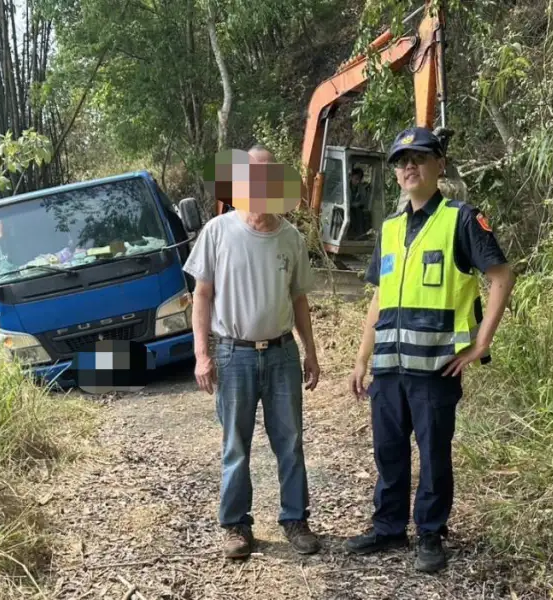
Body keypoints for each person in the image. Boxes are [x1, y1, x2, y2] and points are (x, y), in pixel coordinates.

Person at [345, 127, 515, 573]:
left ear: (439, 164)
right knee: (389, 449)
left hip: (436, 367)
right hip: (388, 365)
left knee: (434, 453)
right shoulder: (389, 227)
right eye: (401, 161)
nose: (408, 167)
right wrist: (362, 357)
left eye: (418, 158)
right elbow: (379, 299)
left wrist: (482, 343)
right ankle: (388, 528)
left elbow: (501, 276)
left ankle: (431, 534)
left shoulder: (461, 219)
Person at [183, 144, 322, 559]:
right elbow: (201, 296)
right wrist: (201, 353)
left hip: (280, 355)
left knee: (290, 440)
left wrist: (309, 352)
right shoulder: (218, 231)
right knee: (235, 443)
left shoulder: (291, 238)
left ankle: (295, 519)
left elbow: (299, 300)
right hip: (233, 355)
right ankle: (236, 526)